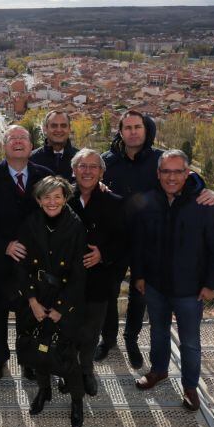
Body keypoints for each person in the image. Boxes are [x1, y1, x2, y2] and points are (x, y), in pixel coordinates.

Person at [98, 110, 214, 368]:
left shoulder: (157, 160)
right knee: (107, 292)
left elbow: (189, 177)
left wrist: (209, 190)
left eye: (137, 127)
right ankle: (108, 340)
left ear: (146, 130)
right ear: (120, 132)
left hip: (149, 241)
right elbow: (85, 180)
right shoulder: (107, 162)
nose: (132, 131)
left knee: (139, 295)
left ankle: (131, 339)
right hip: (114, 240)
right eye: (127, 127)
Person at [130, 149, 214, 411]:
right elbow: (138, 243)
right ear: (158, 173)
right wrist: (139, 275)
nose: (171, 177)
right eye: (166, 171)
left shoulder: (205, 205)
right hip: (155, 285)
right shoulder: (149, 201)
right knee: (158, 332)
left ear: (188, 173)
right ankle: (159, 371)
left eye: (177, 171)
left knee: (190, 341)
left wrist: (212, 284)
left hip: (190, 289)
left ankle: (189, 387)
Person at [0, 125, 52, 382]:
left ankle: (27, 361)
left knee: (28, 316)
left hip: (33, 264)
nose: (18, 142)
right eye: (12, 139)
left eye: (23, 138)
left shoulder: (45, 176)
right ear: (3, 146)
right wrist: (4, 244)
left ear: (31, 146)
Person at [14, 176, 86, 427]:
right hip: (36, 296)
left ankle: (77, 400)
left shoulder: (76, 225)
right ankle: (44, 391)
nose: (52, 201)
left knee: (68, 358)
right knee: (38, 349)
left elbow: (79, 274)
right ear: (38, 199)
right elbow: (21, 266)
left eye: (57, 196)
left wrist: (61, 309)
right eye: (46, 196)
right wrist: (31, 300)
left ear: (66, 198)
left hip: (64, 299)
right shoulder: (30, 223)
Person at [67, 149, 127, 397]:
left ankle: (86, 370)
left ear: (102, 172)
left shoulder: (114, 201)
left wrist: (103, 254)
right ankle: (67, 371)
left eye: (94, 167)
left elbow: (124, 240)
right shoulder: (61, 196)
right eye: (82, 166)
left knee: (91, 331)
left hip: (98, 279)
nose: (88, 171)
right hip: (66, 280)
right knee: (68, 330)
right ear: (74, 170)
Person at [29, 110, 78, 181]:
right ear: (45, 129)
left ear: (69, 129)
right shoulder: (31, 159)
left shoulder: (80, 159)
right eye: (54, 126)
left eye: (63, 126)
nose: (59, 130)